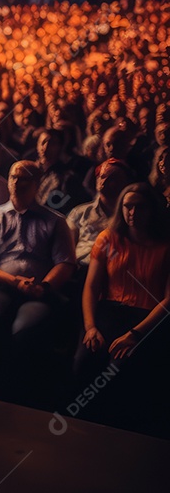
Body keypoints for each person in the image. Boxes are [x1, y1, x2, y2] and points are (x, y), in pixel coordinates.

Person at [0, 160, 76, 401]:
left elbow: (66, 263)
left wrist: (44, 286)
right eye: (13, 177)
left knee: (24, 332)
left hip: (40, 290)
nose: (17, 182)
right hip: (4, 287)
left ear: (37, 184)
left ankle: (20, 395)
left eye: (25, 178)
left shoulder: (55, 220)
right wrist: (13, 281)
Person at [72, 183, 170, 435]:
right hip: (110, 310)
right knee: (84, 360)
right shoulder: (108, 238)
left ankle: (119, 432)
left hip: (148, 317)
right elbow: (91, 287)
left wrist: (136, 334)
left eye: (139, 207)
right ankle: (84, 427)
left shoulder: (165, 245)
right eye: (128, 206)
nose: (132, 212)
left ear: (152, 210)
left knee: (121, 367)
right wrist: (90, 326)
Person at [66, 158, 131, 270]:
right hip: (81, 269)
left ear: (123, 182)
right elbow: (66, 248)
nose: (104, 182)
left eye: (111, 178)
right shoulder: (80, 212)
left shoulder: (128, 214)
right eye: (102, 176)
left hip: (115, 270)